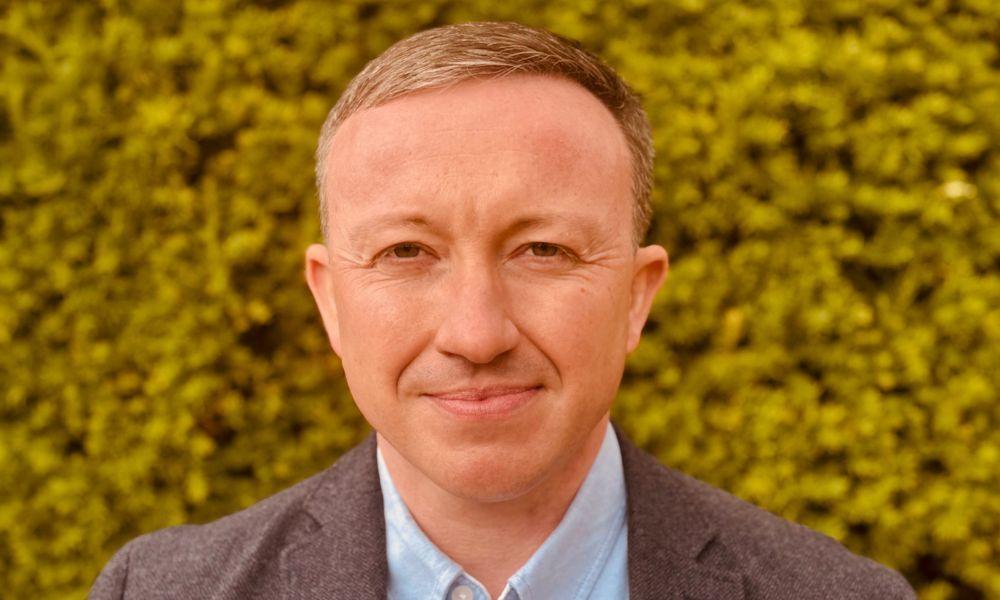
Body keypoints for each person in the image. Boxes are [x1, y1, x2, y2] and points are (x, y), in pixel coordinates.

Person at [90, 21, 916, 600]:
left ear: (637, 297)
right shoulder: (156, 592)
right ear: (330, 300)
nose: (476, 334)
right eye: (406, 253)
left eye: (543, 250)